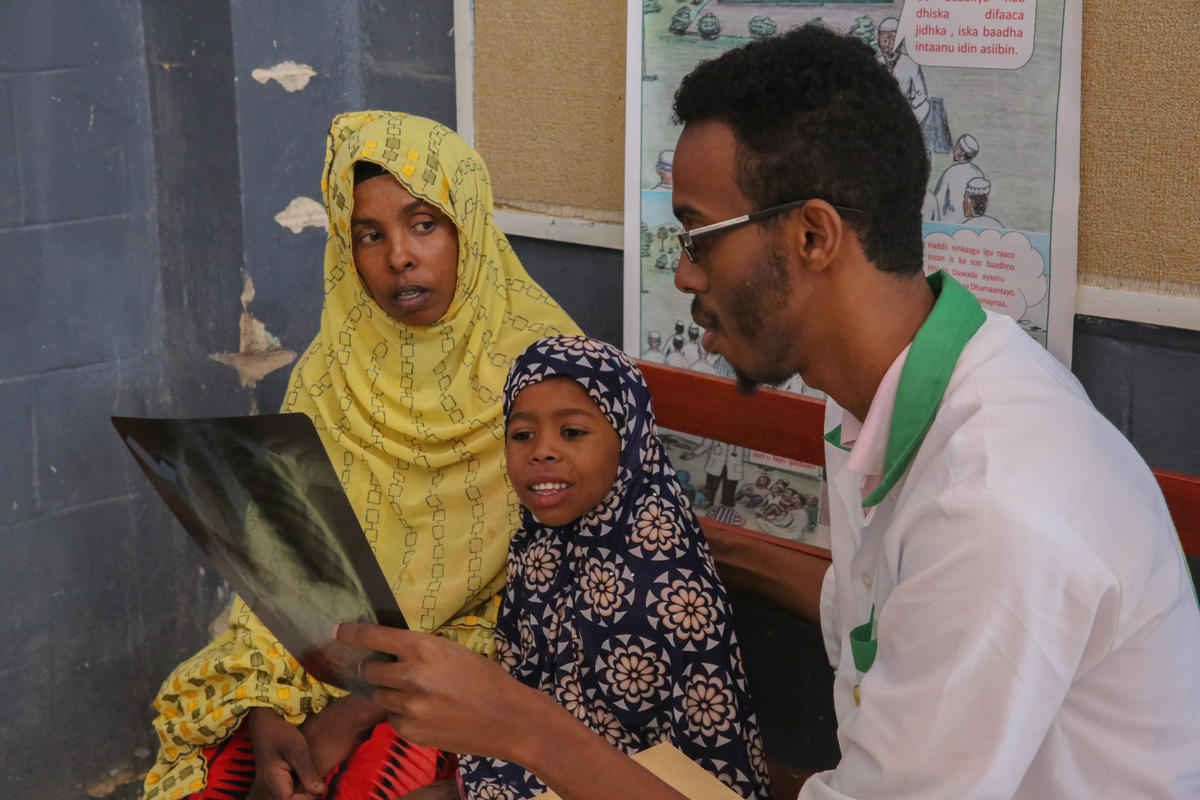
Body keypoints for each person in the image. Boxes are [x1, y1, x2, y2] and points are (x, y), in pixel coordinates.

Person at [336, 27, 1200, 800]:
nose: (683, 276)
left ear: (813, 238)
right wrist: (685, 542)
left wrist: (518, 723)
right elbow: (876, 610)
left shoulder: (997, 504)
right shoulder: (889, 400)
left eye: (698, 235)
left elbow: (952, 580)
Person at [142, 111, 579, 800]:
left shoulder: (546, 379)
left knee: (372, 786)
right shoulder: (331, 370)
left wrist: (361, 708)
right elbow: (280, 566)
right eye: (369, 235)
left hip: (478, 674)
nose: (398, 255)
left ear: (469, 224)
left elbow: (551, 598)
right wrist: (265, 711)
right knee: (220, 781)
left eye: (424, 224)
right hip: (318, 663)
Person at [456, 334, 770, 799]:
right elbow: (521, 679)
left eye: (573, 432)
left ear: (628, 441)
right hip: (533, 759)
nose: (541, 451)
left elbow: (714, 767)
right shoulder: (539, 543)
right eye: (522, 435)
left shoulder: (671, 596)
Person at [932, 133, 984, 223]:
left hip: (948, 224)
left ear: (962, 153)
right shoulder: (979, 173)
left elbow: (937, 201)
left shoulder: (950, 172)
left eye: (957, 148)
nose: (954, 150)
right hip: (970, 225)